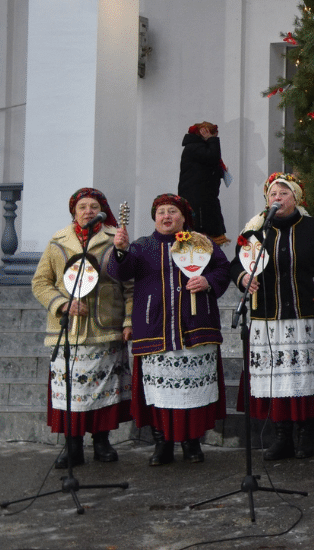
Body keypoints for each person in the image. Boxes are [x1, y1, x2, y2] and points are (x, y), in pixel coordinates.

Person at [108, 194, 229, 465]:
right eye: (161, 212)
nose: (166, 216)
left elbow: (223, 269)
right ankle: (161, 443)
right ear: (154, 218)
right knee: (159, 392)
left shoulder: (201, 243)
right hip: (154, 328)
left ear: (183, 217)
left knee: (192, 390)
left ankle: (192, 442)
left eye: (172, 211)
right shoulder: (141, 246)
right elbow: (120, 271)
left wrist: (208, 281)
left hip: (195, 328)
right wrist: (120, 250)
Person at [232, 173, 314, 461]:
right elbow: (235, 264)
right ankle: (282, 437)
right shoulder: (256, 232)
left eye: (283, 194)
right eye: (272, 195)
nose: (277, 199)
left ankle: (305, 435)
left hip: (306, 314)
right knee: (276, 379)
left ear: (296, 198)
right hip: (267, 316)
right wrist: (242, 278)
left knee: (303, 378)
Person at [32, 188, 132, 469]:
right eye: (82, 207)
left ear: (102, 210)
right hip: (69, 330)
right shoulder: (58, 242)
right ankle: (72, 445)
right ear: (74, 212)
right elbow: (40, 282)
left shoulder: (116, 239)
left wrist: (128, 321)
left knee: (104, 388)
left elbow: (129, 285)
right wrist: (63, 304)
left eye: (94, 206)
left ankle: (102, 441)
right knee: (69, 390)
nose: (88, 211)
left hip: (105, 327)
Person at [179, 121, 229, 245]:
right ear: (204, 133)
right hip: (199, 202)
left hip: (205, 199)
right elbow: (212, 157)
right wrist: (212, 140)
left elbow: (209, 166)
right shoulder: (194, 147)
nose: (216, 136)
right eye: (214, 134)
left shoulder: (197, 148)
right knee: (201, 235)